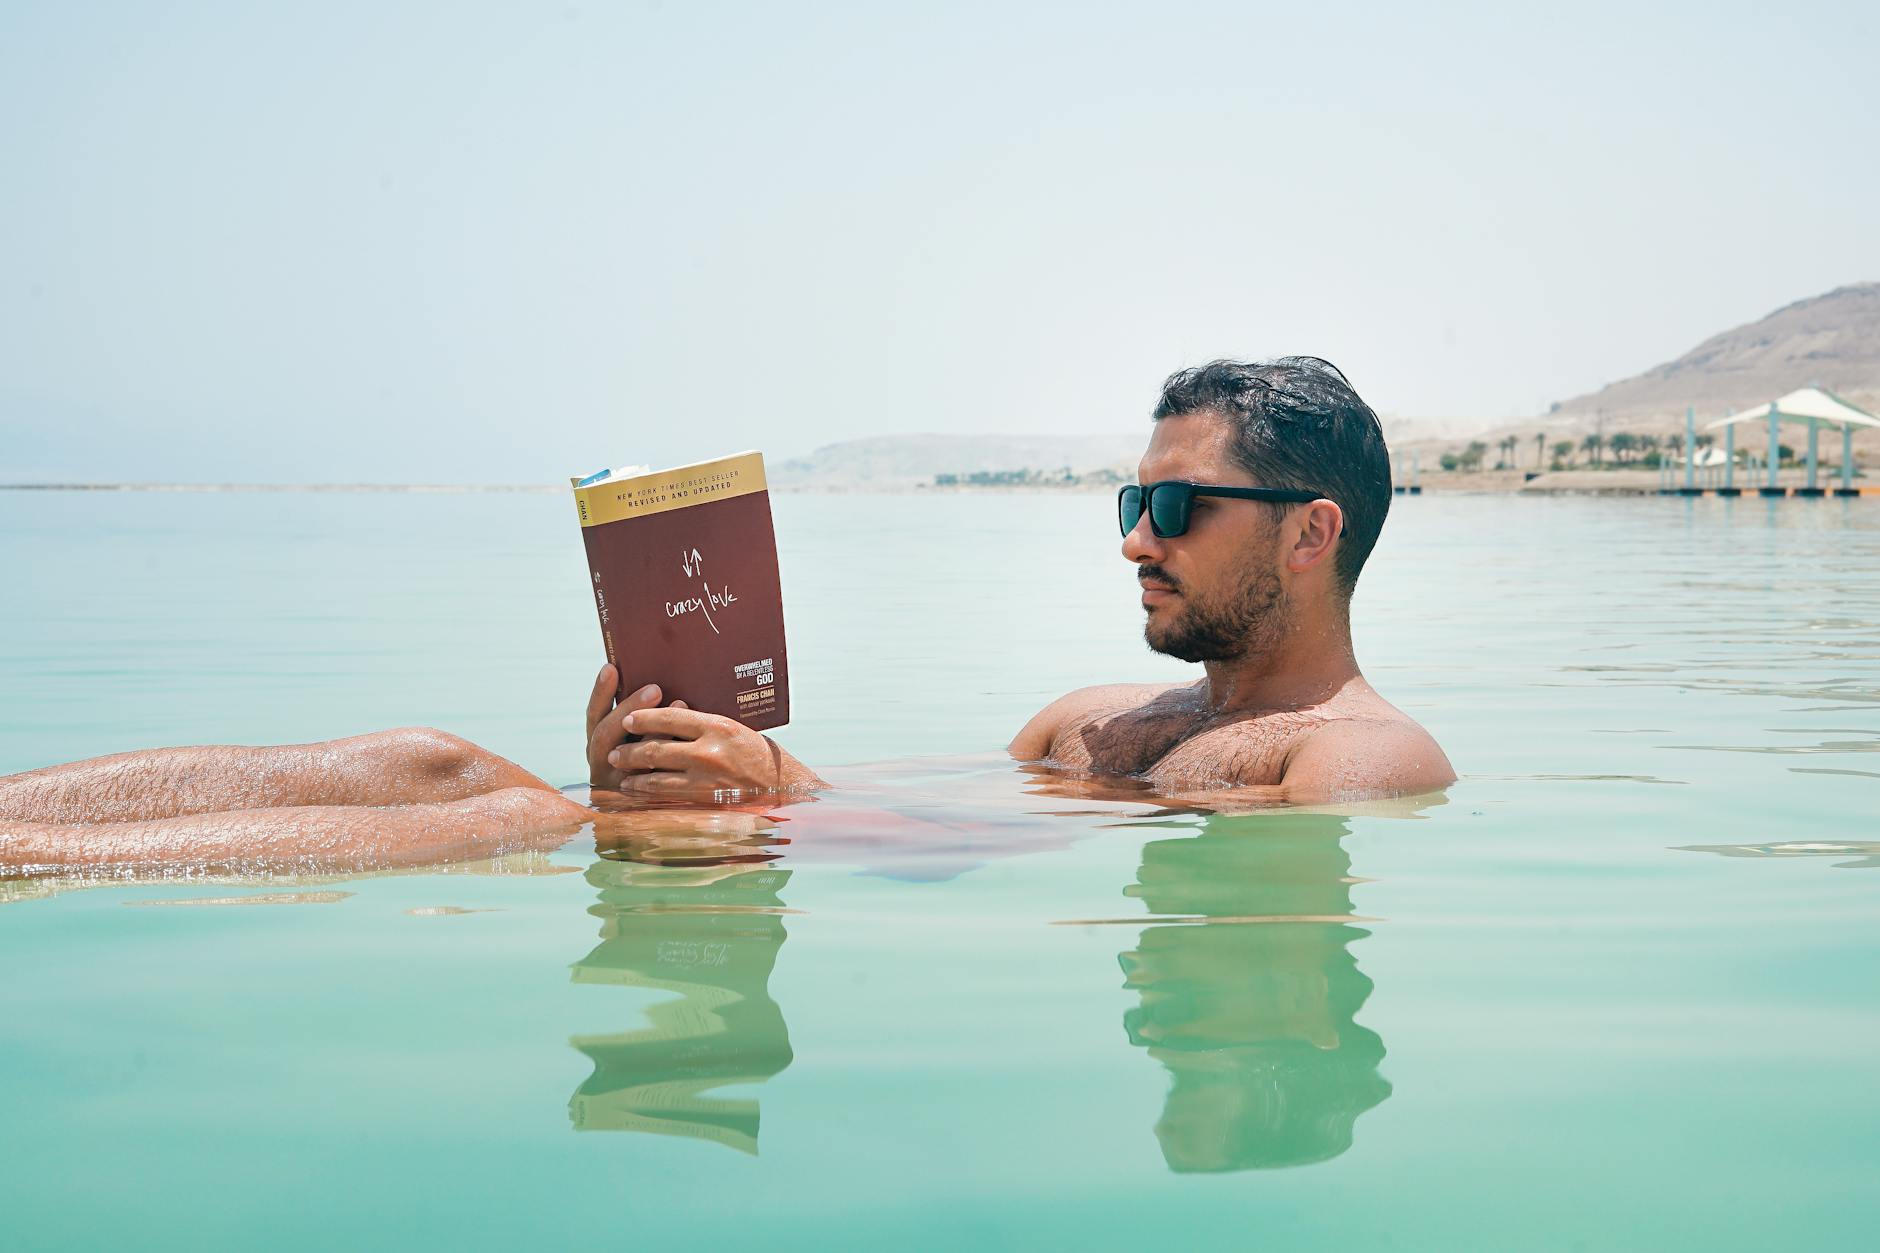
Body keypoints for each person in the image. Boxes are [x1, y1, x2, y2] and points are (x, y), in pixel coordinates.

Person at [0, 356, 1450, 871]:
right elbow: (922, 811)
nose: (1138, 538)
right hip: (817, 848)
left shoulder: (1359, 759)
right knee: (444, 755)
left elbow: (983, 872)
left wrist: (774, 796)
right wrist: (677, 743)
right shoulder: (1089, 721)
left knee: (521, 822)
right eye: (1129, 504)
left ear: (1313, 533)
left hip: (850, 879)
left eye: (1177, 509)